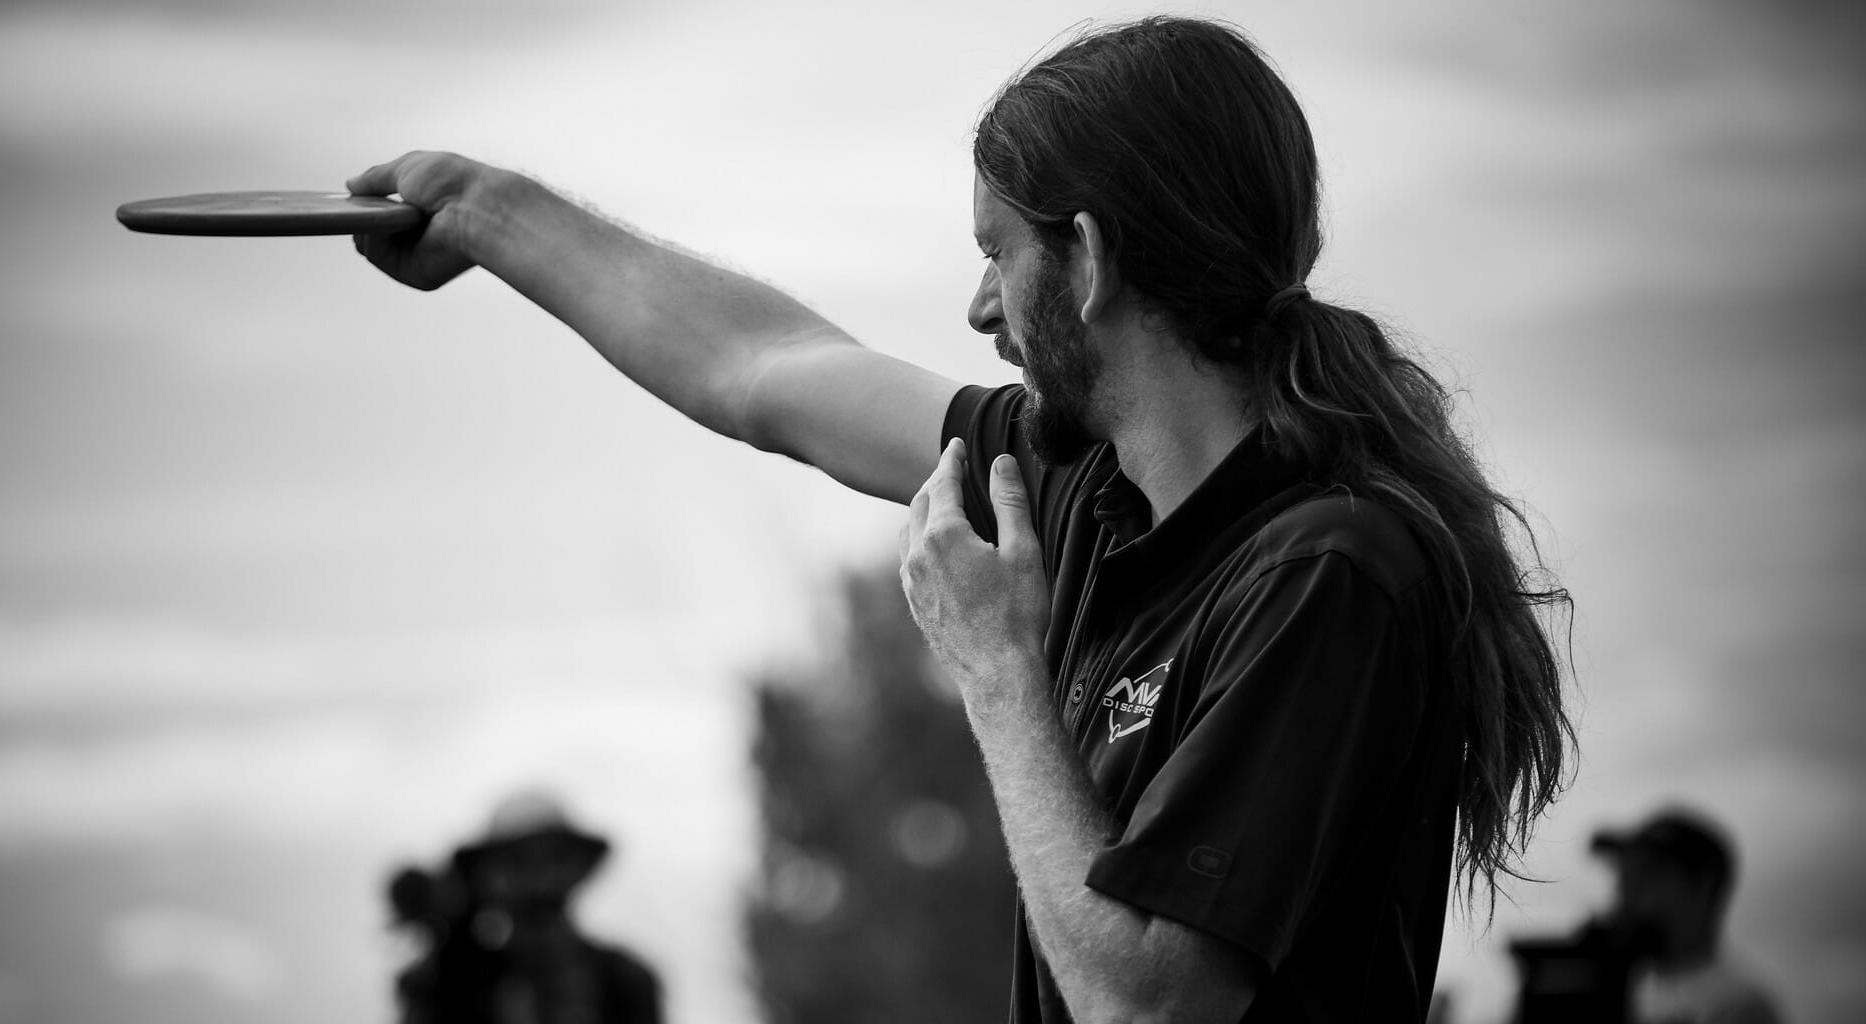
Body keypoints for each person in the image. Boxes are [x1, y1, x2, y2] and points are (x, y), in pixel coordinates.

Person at [347, 16, 1572, 1022]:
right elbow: (765, 371)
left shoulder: (1327, 569)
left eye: (998, 251)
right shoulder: (1083, 492)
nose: (980, 305)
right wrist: (489, 212)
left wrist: (994, 668)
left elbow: (1143, 1009)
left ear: (1084, 259)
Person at [392, 792, 662, 1024]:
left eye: (557, 858)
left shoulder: (625, 980)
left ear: (578, 868)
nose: (540, 878)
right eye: (516, 862)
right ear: (485, 877)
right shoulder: (449, 983)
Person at [1591, 808, 1783, 1024]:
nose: (1624, 899)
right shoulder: (1635, 984)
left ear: (1700, 884)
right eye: (1623, 881)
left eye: (1644, 878)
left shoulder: (1740, 1003)